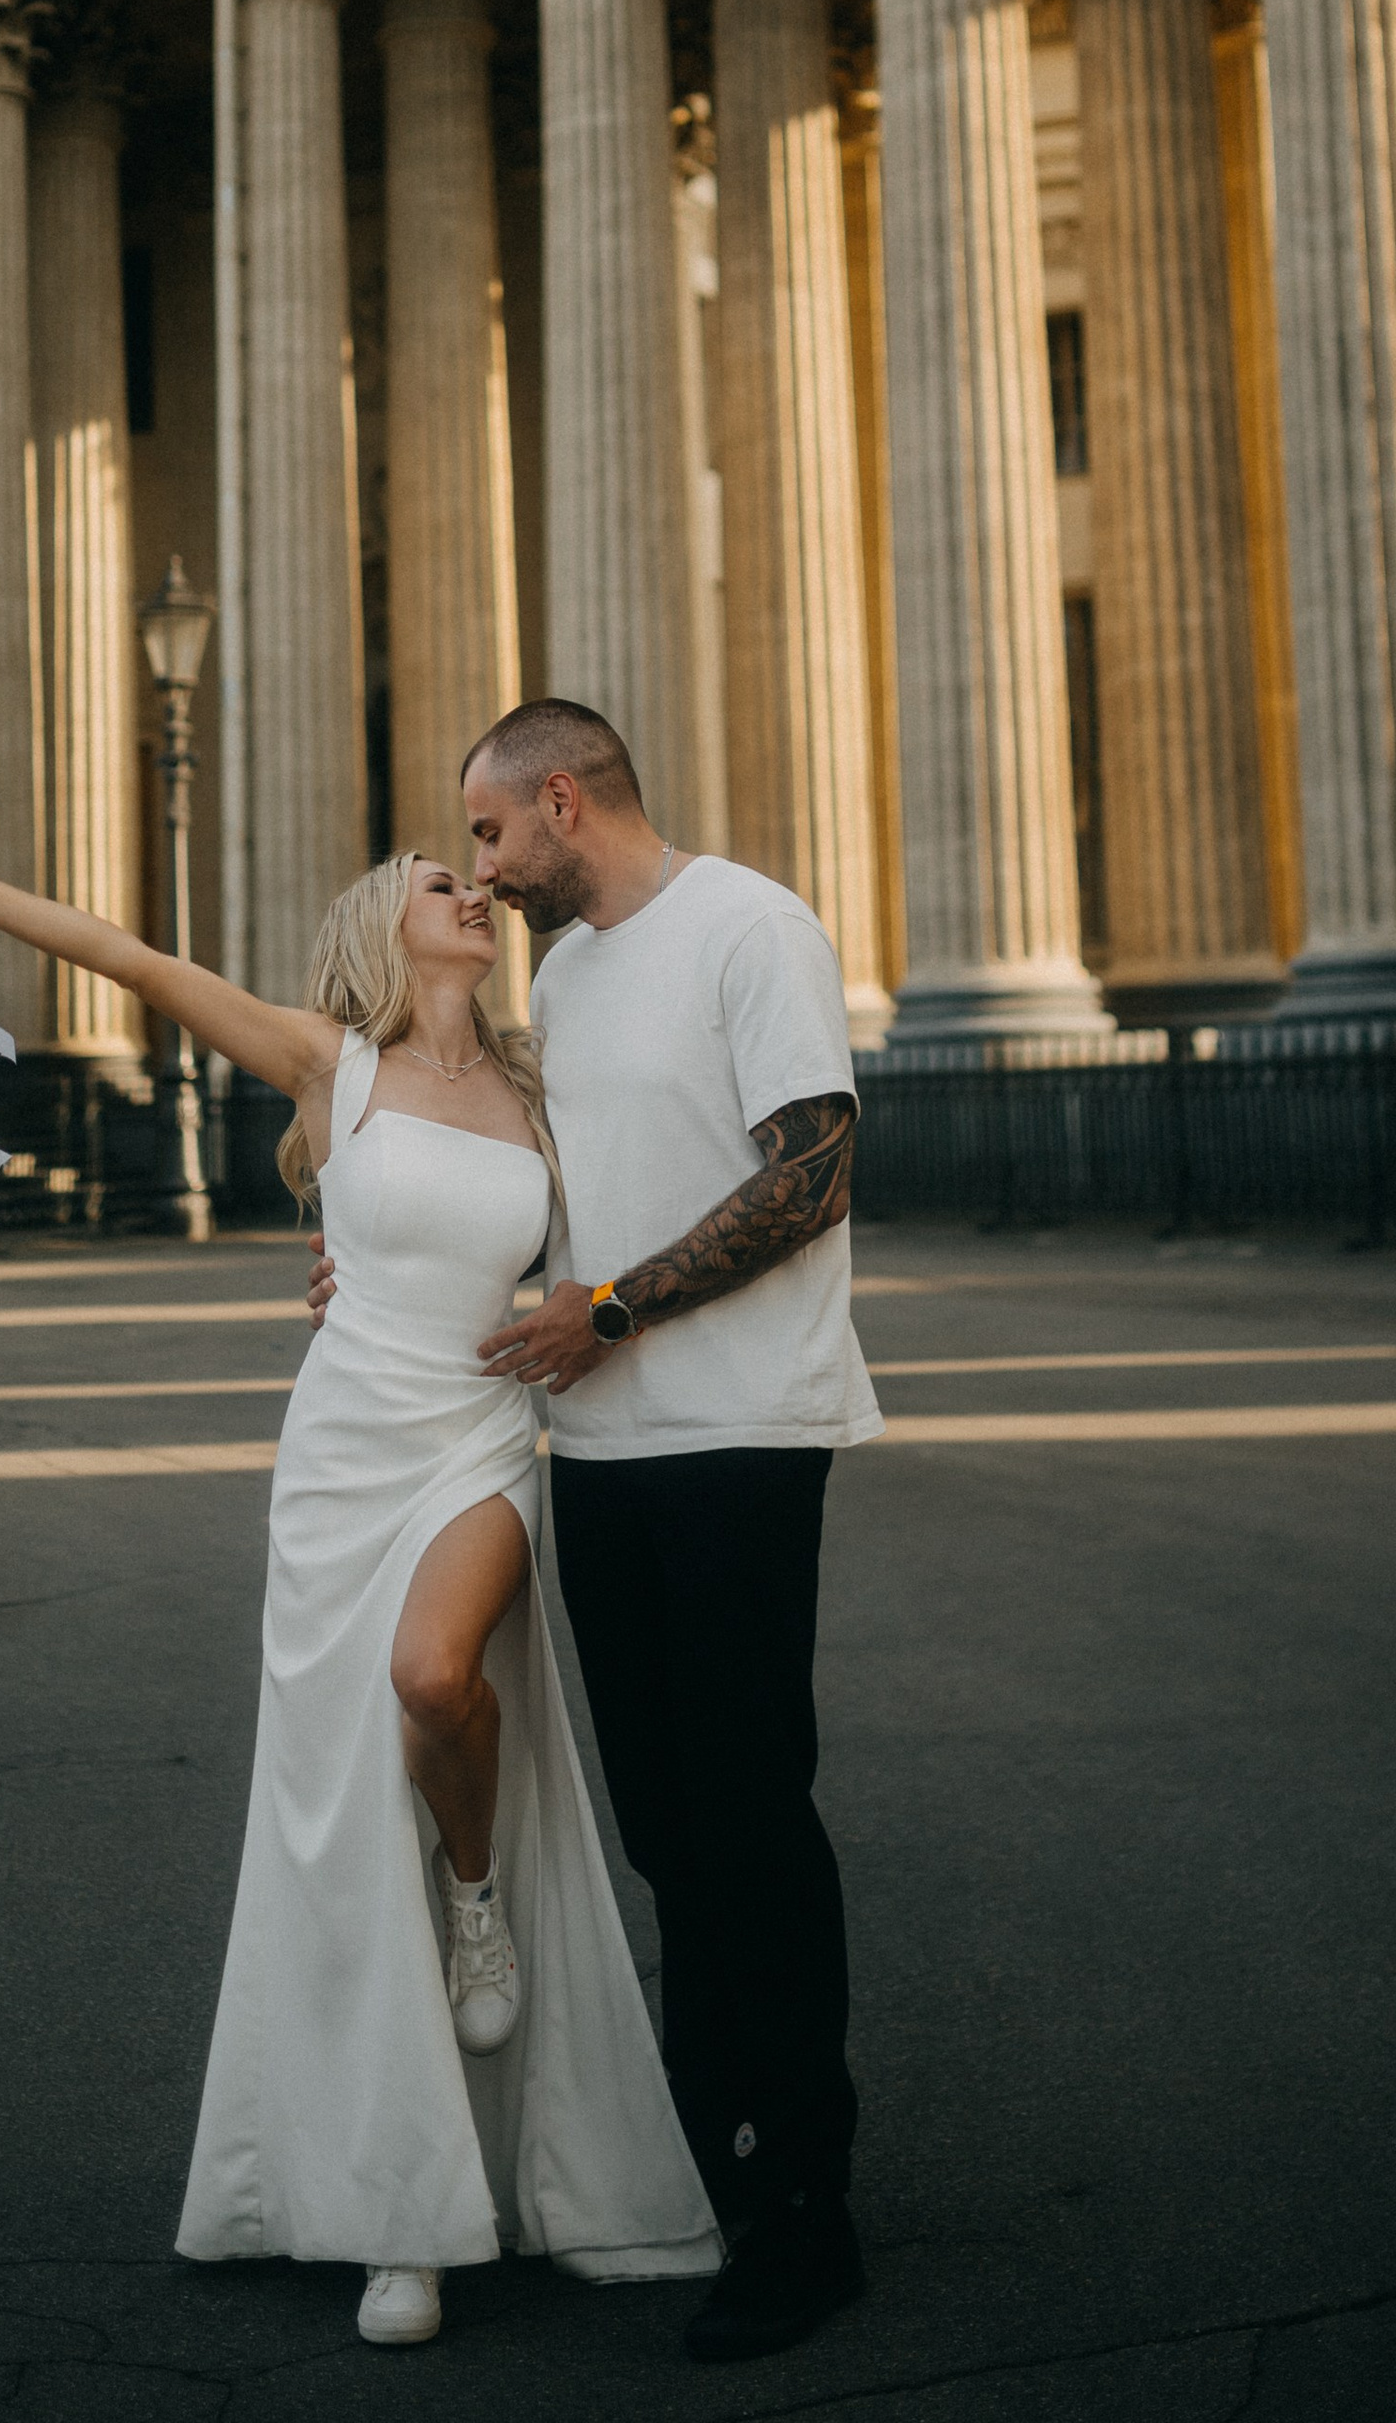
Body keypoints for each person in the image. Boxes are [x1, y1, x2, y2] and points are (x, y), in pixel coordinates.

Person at [0, 814, 718, 2349]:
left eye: (478, 881)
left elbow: (625, 1226)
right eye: (445, 884)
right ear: (388, 931)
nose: (477, 893)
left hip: (482, 1440)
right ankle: (395, 2209)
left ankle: (478, 1896)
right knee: (332, 1829)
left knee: (436, 1681)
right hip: (341, 1454)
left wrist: (605, 1310)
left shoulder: (541, 1086)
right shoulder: (333, 1064)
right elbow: (130, 957)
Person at [461, 699, 881, 2363]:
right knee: (665, 1833)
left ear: (564, 799)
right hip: (604, 1447)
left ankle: (808, 2212)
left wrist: (616, 1308)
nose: (481, 873)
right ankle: (730, 2159)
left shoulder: (752, 928)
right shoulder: (563, 977)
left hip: (738, 1443)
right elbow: (573, 1208)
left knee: (749, 1818)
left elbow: (815, 1173)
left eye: (493, 834)